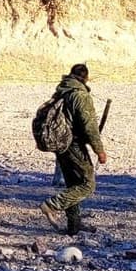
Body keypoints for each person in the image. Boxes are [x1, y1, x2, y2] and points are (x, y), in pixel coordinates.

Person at [40, 64, 108, 235]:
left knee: (72, 184)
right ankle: (52, 205)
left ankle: (74, 225)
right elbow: (89, 126)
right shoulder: (80, 95)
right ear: (86, 78)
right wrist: (99, 150)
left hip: (60, 143)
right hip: (73, 144)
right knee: (87, 185)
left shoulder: (62, 91)